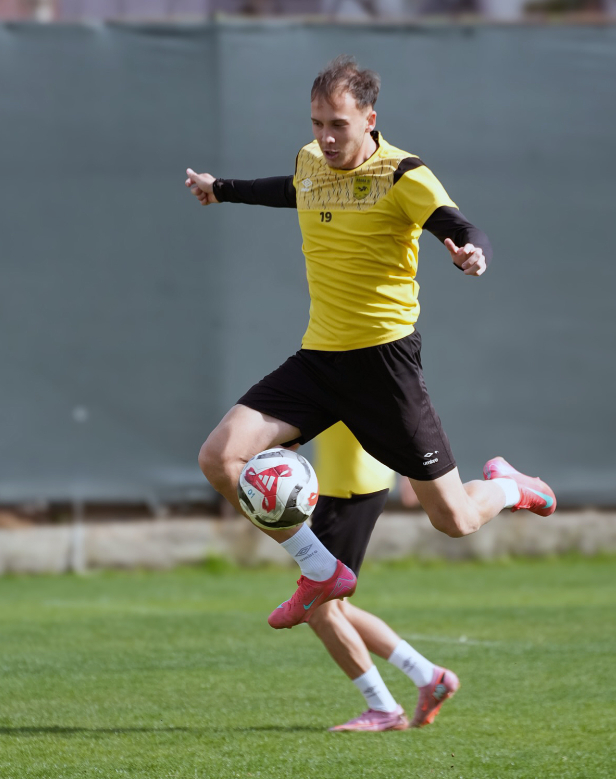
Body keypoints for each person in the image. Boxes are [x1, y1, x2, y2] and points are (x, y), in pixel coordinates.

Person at [184, 54, 556, 632]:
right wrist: (221, 189)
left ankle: (508, 486)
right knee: (219, 458)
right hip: (319, 362)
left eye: (339, 124)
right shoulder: (311, 162)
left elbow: (461, 226)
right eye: (317, 123)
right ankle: (320, 569)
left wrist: (472, 252)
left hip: (385, 366)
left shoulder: (404, 175)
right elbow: (295, 190)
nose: (326, 137)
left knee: (455, 520)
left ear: (370, 119)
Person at [308, 422, 459, 732]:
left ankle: (384, 708)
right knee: (334, 607)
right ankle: (429, 676)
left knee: (318, 610)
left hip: (347, 488)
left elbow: (403, 409)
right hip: (346, 485)